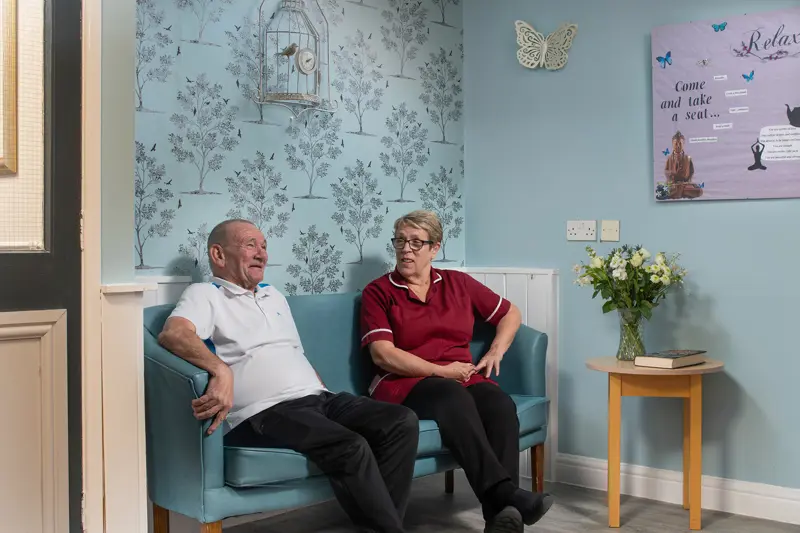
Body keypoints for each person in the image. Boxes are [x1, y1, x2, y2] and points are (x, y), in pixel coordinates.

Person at [158, 219, 419, 533]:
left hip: (319, 399)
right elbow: (174, 334)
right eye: (250, 245)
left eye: (264, 246)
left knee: (400, 421)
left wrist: (321, 391)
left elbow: (296, 353)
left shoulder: (274, 296)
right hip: (265, 411)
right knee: (350, 445)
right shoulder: (205, 294)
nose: (262, 254)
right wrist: (220, 369)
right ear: (218, 254)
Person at [360, 210, 554, 533]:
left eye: (416, 243)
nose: (406, 249)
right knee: (451, 395)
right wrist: (441, 371)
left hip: (458, 376)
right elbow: (383, 354)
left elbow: (510, 313)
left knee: (499, 404)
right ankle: (507, 495)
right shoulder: (378, 292)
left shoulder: (457, 283)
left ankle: (503, 519)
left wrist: (495, 350)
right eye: (400, 241)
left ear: (435, 248)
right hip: (403, 382)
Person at [664, 130, 703, 199]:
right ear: (672, 144)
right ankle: (680, 192)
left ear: (683, 144)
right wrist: (671, 175)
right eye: (676, 144)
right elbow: (666, 171)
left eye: (680, 144)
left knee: (699, 191)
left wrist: (688, 180)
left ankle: (677, 193)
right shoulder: (669, 158)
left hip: (685, 184)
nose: (678, 146)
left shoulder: (687, 158)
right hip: (673, 184)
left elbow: (691, 171)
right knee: (664, 191)